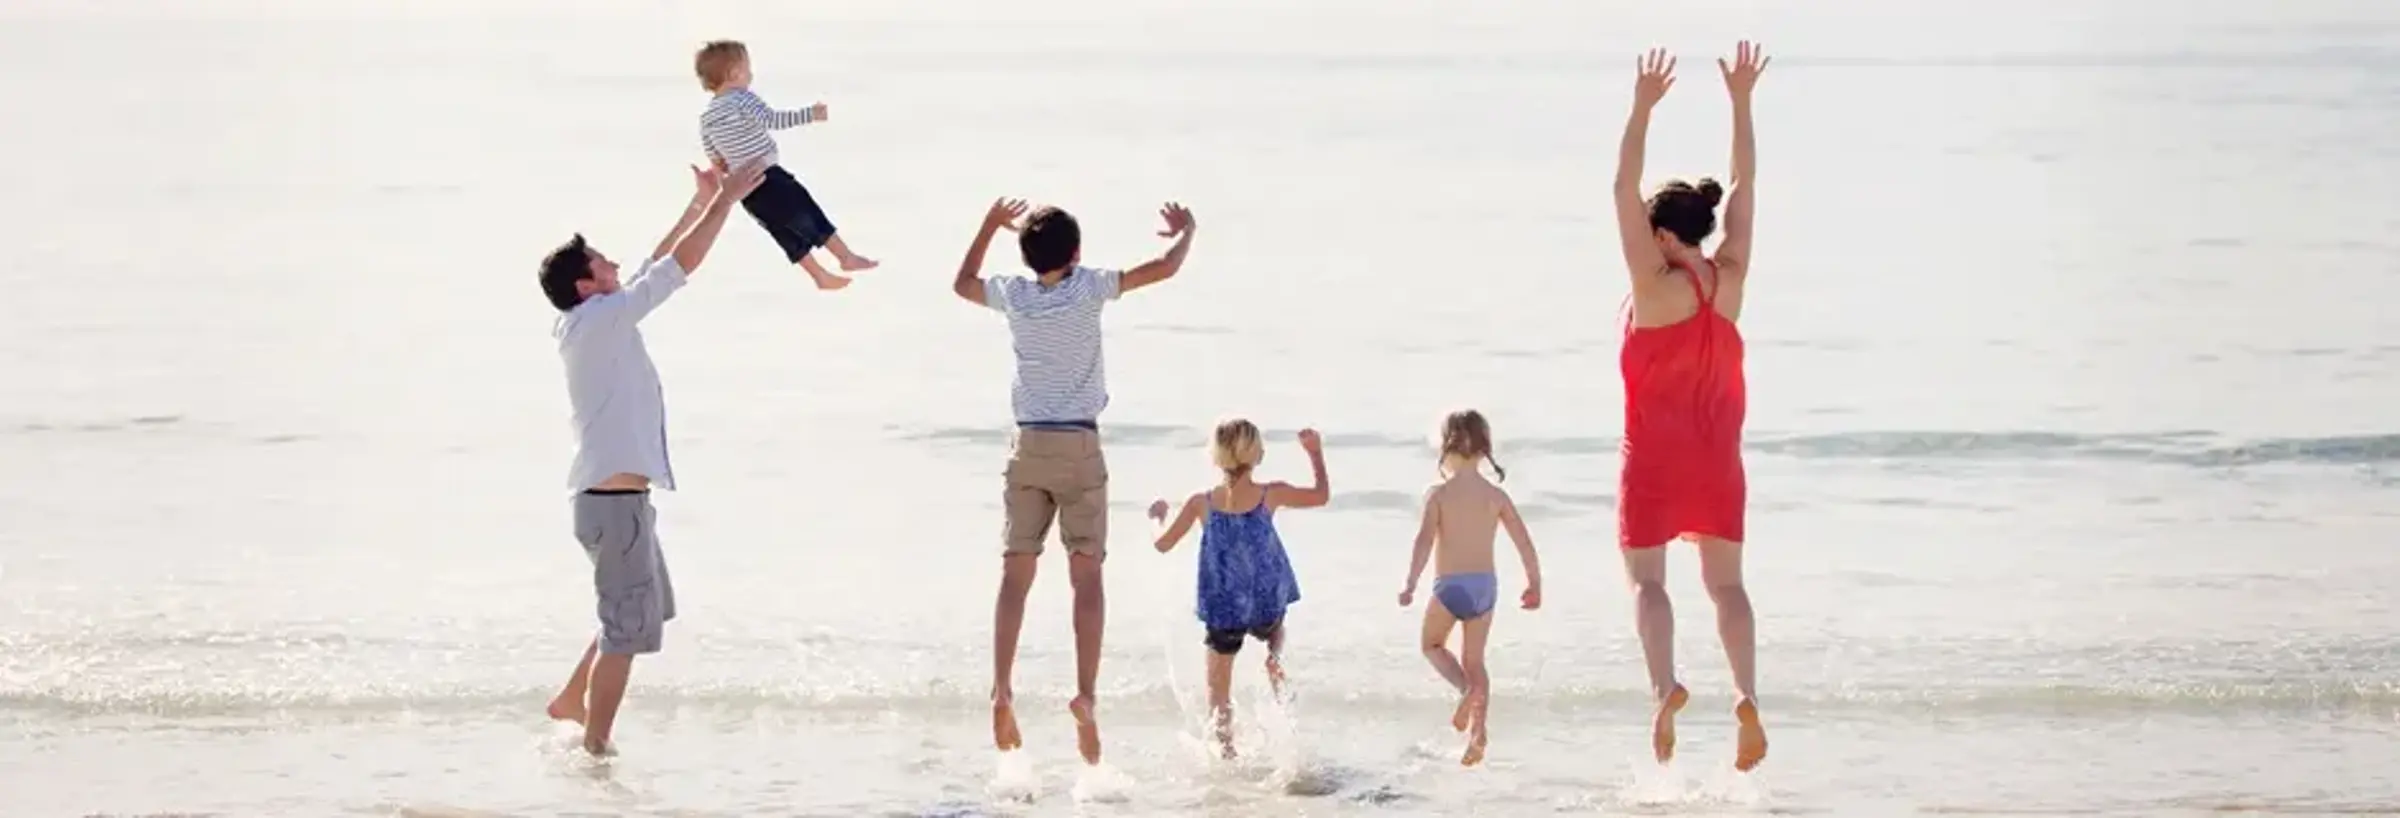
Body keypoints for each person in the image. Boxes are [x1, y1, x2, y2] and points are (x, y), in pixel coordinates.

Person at [951, 195, 1199, 767]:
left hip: (1028, 444)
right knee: (1085, 577)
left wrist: (988, 222)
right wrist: (1187, 233)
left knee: (1016, 576)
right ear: (1077, 252)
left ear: (1026, 253)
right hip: (1080, 445)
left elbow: (963, 283)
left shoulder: (1013, 294)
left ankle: (1002, 687)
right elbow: (1163, 268)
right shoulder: (1088, 287)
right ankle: (1086, 695)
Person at [536, 160, 768, 756]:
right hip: (614, 507)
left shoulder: (590, 320)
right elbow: (677, 268)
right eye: (602, 263)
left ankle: (571, 697)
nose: (613, 265)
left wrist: (700, 203)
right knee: (626, 631)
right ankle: (596, 749)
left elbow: (652, 267)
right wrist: (727, 203)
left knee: (644, 611)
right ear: (587, 285)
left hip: (615, 504)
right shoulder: (603, 319)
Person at [1610, 42, 1771, 772]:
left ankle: (1664, 688)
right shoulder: (1729, 277)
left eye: (1650, 232)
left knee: (1648, 583)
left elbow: (1619, 186)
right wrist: (1741, 99)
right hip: (1717, 459)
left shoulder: (1654, 288)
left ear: (1665, 236)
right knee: (1727, 585)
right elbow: (1743, 180)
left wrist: (1641, 108)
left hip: (1654, 458)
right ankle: (1746, 694)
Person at [1146, 420, 1331, 759]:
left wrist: (1158, 518)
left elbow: (1163, 545)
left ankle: (1227, 752)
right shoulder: (1269, 494)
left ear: (1215, 457)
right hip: (1265, 600)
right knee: (1274, 629)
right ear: (1257, 454)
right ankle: (1274, 653)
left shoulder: (1201, 503)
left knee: (1219, 690)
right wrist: (1315, 454)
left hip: (1224, 607)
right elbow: (1321, 496)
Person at [1396, 410, 1543, 767]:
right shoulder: (1496, 495)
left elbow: (1424, 542)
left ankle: (1465, 690)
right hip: (1484, 588)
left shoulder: (1439, 495)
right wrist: (1534, 582)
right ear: (1484, 448)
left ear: (1445, 446)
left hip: (1449, 587)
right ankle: (1478, 734)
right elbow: (1524, 541)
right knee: (1475, 661)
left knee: (1431, 644)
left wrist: (1411, 583)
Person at [692, 39, 878, 291]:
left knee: (783, 232)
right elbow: (774, 120)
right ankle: (845, 256)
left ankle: (818, 276)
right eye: (748, 69)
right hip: (769, 177)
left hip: (745, 190)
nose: (751, 75)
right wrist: (810, 114)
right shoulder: (742, 98)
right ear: (734, 73)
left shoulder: (706, 119)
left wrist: (725, 169)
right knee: (807, 212)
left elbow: (715, 157)